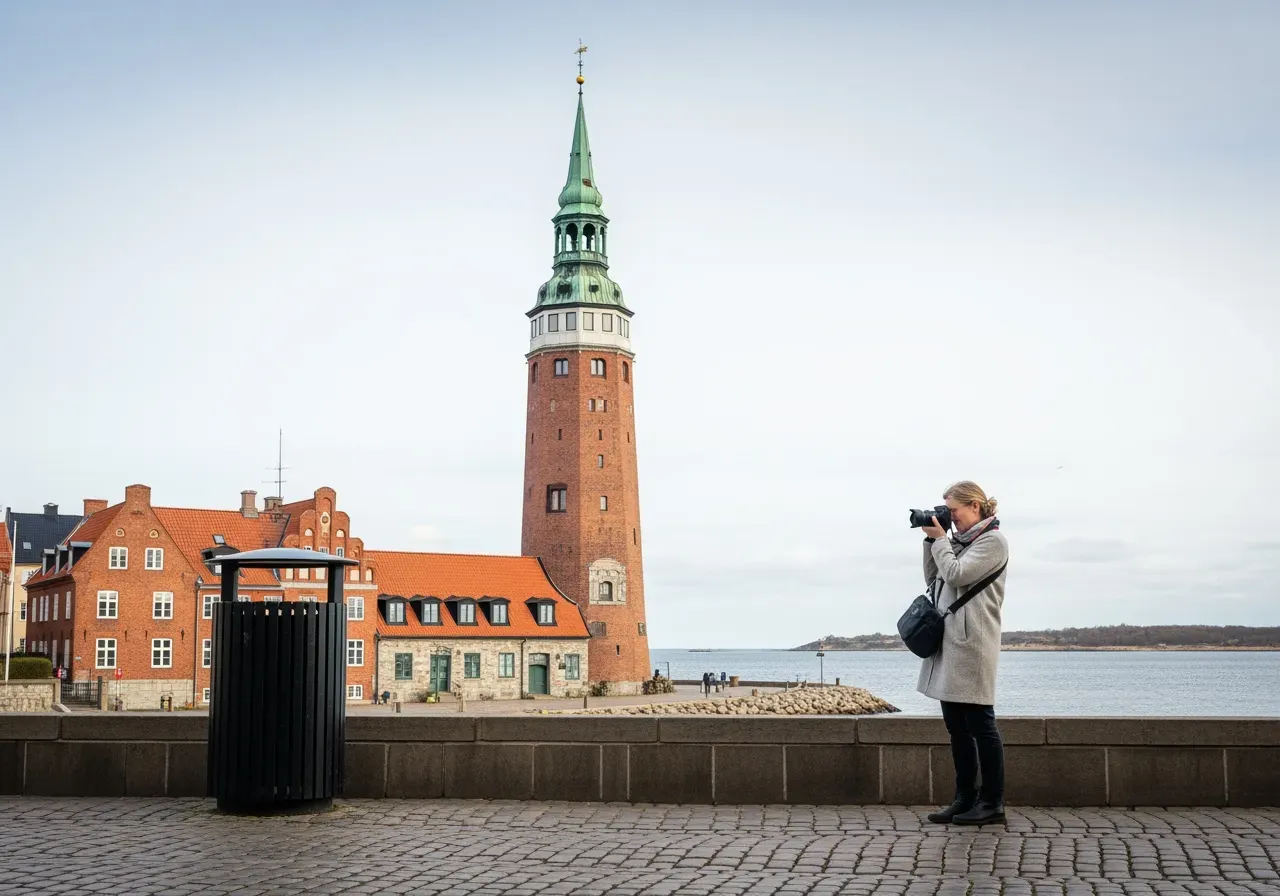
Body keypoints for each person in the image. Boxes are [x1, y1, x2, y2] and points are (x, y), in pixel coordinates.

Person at [917, 480, 1009, 826]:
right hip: (950, 644)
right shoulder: (958, 542)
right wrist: (931, 541)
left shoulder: (992, 542)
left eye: (954, 510)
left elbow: (957, 575)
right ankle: (964, 798)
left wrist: (942, 540)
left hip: (973, 644)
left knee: (981, 726)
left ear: (975, 505)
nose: (951, 517)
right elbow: (934, 579)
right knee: (956, 728)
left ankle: (992, 803)